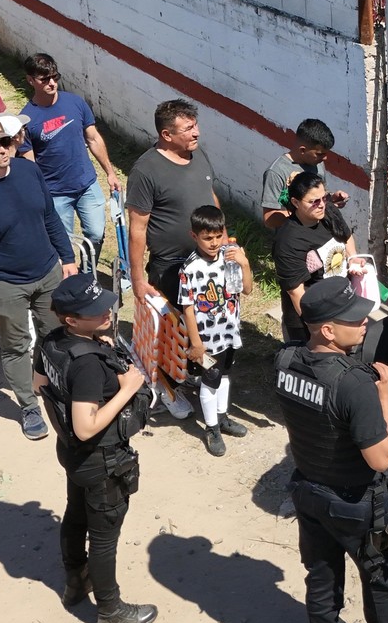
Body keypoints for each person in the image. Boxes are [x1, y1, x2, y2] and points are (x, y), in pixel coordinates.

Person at [275, 277, 388, 623]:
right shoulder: (354, 383)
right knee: (379, 572)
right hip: (356, 501)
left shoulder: (285, 361)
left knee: (321, 575)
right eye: (354, 318)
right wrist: (385, 397)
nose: (366, 322)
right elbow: (381, 458)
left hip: (309, 491)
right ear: (328, 330)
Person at [33, 272, 158, 623]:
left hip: (72, 452)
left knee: (75, 514)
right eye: (95, 311)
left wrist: (94, 345)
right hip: (100, 459)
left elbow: (39, 385)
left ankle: (76, 582)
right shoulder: (87, 364)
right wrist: (127, 388)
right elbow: (87, 426)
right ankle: (110, 611)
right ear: (72, 320)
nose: (106, 312)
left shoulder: (53, 341)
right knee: (104, 537)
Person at [0, 115, 78, 440]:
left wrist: (67, 258)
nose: (2, 150)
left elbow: (50, 217)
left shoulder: (29, 171)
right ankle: (29, 406)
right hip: (3, 284)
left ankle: (55, 388)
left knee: (56, 337)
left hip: (47, 272)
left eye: (5, 142)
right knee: (16, 346)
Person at [18, 52, 120, 260]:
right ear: (30, 80)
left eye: (55, 77)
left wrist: (110, 173)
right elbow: (30, 163)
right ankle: (69, 277)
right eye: (44, 79)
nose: (52, 83)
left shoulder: (75, 103)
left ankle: (87, 272)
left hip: (87, 185)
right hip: (55, 193)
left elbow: (93, 139)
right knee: (62, 245)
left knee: (96, 234)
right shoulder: (27, 119)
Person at [175, 204, 253, 456]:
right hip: (207, 338)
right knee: (210, 380)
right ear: (194, 236)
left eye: (218, 236)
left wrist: (244, 263)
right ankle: (211, 428)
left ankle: (222, 417)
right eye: (207, 238)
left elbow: (247, 289)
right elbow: (187, 309)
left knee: (225, 374)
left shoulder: (230, 257)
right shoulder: (190, 269)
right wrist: (196, 343)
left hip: (229, 332)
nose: (214, 243)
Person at [126, 99, 220, 306]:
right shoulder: (145, 171)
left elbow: (210, 195)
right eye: (188, 129)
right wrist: (138, 280)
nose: (196, 133)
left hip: (207, 259)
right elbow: (137, 229)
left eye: (195, 125)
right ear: (167, 135)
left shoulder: (198, 154)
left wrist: (223, 241)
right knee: (179, 326)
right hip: (171, 269)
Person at [273, 172, 359, 343]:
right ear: (295, 203)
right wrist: (316, 327)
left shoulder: (329, 211)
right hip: (310, 318)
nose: (321, 205)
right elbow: (296, 292)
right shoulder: (288, 241)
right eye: (314, 201)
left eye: (324, 198)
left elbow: (346, 236)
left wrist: (353, 259)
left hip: (340, 302)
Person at [260, 118, 349, 230]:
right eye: (320, 154)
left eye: (326, 154)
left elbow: (317, 198)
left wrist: (331, 199)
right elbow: (269, 219)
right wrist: (304, 213)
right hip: (295, 236)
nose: (325, 158)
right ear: (303, 150)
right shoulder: (276, 172)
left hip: (320, 232)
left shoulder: (317, 163)